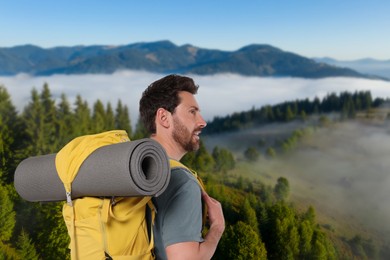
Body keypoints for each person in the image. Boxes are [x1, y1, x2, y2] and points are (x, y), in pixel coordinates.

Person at [139, 74, 225, 259]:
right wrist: (217, 228)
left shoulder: (130, 169)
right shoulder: (181, 181)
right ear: (163, 117)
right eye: (192, 112)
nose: (202, 121)